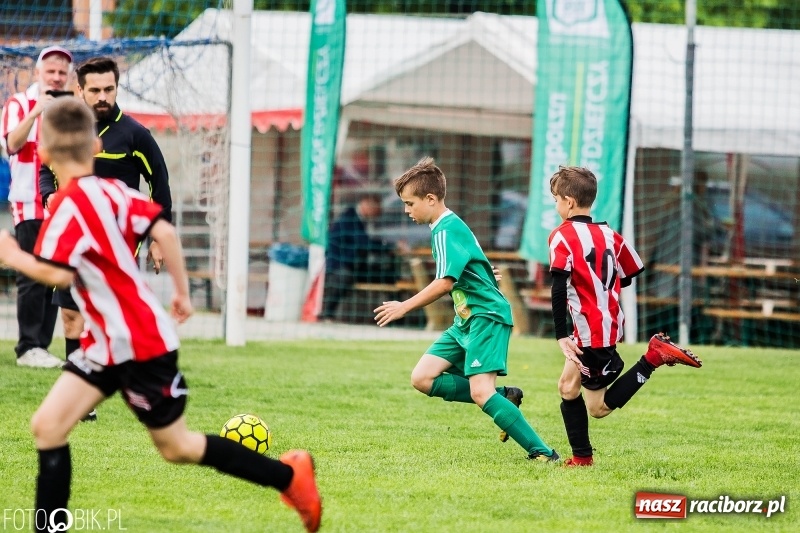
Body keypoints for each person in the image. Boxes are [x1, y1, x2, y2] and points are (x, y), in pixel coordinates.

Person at [0, 98, 321, 533]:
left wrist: (12, 255)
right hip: (108, 343)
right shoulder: (115, 191)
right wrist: (183, 294)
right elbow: (165, 231)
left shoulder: (66, 207)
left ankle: (290, 476)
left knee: (177, 446)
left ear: (42, 153)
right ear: (95, 145)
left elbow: (55, 272)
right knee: (48, 426)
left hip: (137, 344)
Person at [374, 157, 558, 461]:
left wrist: (404, 306)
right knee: (422, 378)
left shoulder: (446, 229)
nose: (406, 210)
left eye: (409, 203)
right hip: (465, 321)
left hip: (486, 317)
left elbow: (445, 282)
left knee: (479, 392)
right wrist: (485, 278)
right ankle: (503, 397)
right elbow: (474, 263)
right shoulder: (444, 227)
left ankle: (543, 453)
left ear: (430, 199)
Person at [547, 166, 703, 467]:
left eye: (555, 200)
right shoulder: (610, 234)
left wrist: (560, 334)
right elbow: (630, 273)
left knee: (598, 407)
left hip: (588, 331)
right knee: (567, 386)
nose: (556, 206)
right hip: (603, 324)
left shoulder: (561, 236)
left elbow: (557, 287)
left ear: (568, 202)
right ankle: (582, 458)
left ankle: (652, 358)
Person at [40, 56, 172, 381]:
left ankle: (133, 376)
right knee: (72, 316)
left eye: (109, 89)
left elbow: (160, 183)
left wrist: (157, 239)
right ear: (80, 90)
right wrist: (49, 196)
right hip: (76, 242)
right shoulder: (69, 129)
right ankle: (82, 387)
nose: (103, 97)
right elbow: (46, 170)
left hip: (120, 247)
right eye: (95, 90)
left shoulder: (135, 134)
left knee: (114, 321)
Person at [0, 45, 71, 368]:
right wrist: (36, 112)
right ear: (39, 72)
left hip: (62, 202)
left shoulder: (69, 107)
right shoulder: (18, 103)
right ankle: (27, 345)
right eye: (51, 71)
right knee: (31, 272)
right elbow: (12, 144)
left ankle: (41, 345)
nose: (56, 78)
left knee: (55, 274)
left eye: (62, 72)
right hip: (29, 200)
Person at [319, 194, 401, 321]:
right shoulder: (349, 218)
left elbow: (364, 243)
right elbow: (364, 244)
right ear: (367, 204)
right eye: (377, 210)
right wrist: (390, 247)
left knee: (390, 277)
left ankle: (395, 317)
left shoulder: (357, 219)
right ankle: (327, 314)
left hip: (355, 266)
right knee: (343, 277)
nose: (378, 214)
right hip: (340, 266)